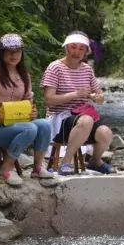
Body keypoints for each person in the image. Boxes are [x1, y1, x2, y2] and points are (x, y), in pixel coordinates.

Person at [0, 33, 55, 186]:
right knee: (30, 129)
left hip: (18, 124)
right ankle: (6, 168)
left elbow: (28, 101)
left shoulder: (24, 74)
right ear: (2, 52)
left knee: (45, 125)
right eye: (9, 51)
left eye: (17, 51)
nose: (14, 55)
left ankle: (38, 168)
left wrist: (31, 112)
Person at [42, 31, 114, 175]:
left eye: (81, 49)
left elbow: (100, 97)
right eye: (73, 47)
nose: (77, 52)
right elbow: (48, 100)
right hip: (59, 118)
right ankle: (66, 163)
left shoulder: (87, 70)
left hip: (82, 116)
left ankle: (95, 161)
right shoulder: (55, 67)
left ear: (86, 52)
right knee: (86, 120)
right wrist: (75, 94)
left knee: (106, 133)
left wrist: (95, 97)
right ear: (67, 48)